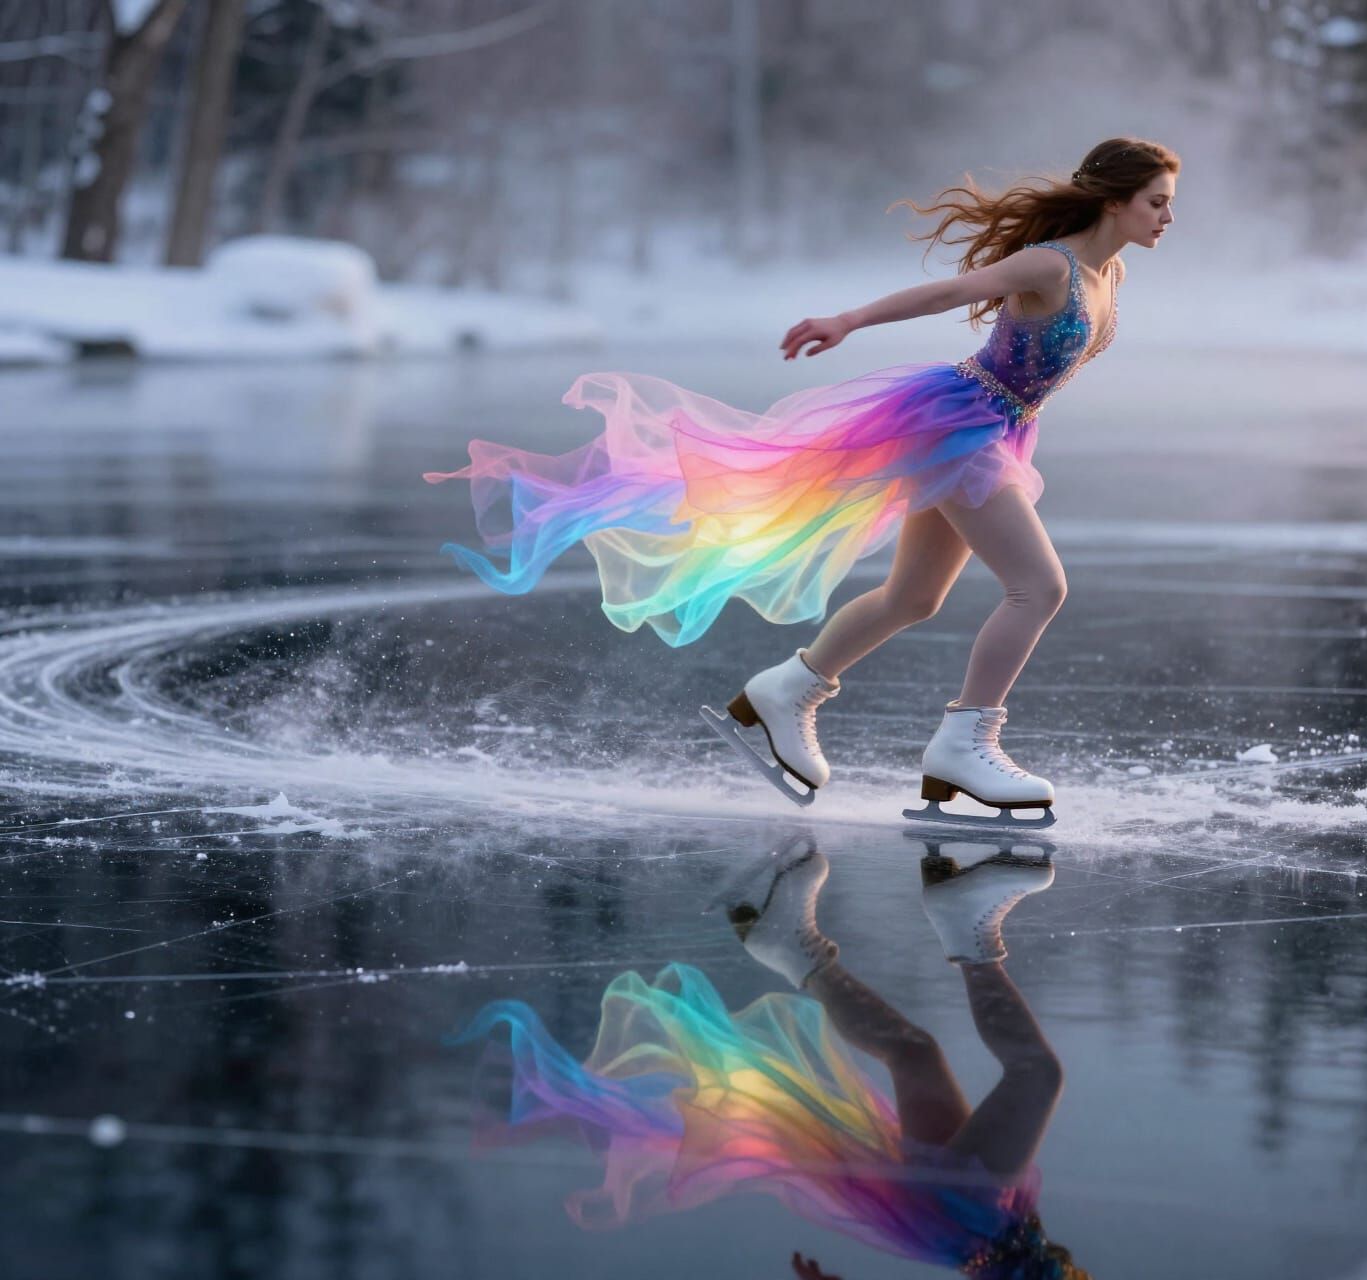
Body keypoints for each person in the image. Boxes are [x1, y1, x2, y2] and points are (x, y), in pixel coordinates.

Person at [425, 138, 1180, 818]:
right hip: (961, 425)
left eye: (1169, 204)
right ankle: (965, 745)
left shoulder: (1109, 273)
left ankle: (785, 691)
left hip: (997, 431)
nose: (1167, 218)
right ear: (1113, 201)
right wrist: (847, 320)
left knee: (914, 598)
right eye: (1156, 202)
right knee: (1038, 588)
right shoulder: (1050, 264)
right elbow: (949, 293)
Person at [452, 833, 1090, 1279]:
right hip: (973, 1225)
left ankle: (966, 923)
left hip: (973, 1224)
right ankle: (789, 941)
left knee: (1036, 1073)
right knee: (914, 1055)